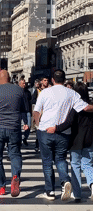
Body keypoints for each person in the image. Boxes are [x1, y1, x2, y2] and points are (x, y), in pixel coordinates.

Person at [33, 69, 93, 201]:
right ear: (65, 80)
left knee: (47, 162)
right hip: (63, 132)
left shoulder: (44, 92)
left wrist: (38, 125)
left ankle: (50, 191)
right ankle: (65, 180)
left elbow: (36, 111)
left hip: (45, 130)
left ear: (52, 80)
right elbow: (86, 108)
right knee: (60, 158)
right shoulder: (71, 93)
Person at [0, 70, 28, 197]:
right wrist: (25, 122)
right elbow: (24, 109)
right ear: (10, 78)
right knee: (15, 154)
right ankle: (15, 175)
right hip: (14, 127)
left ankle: (0, 187)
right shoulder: (19, 90)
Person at [18, 77, 32, 146]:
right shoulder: (17, 91)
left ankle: (25, 138)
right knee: (18, 127)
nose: (24, 84)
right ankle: (19, 139)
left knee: (28, 126)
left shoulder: (27, 92)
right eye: (23, 83)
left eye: (25, 83)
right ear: (20, 83)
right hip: (19, 111)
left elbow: (30, 101)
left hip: (27, 111)